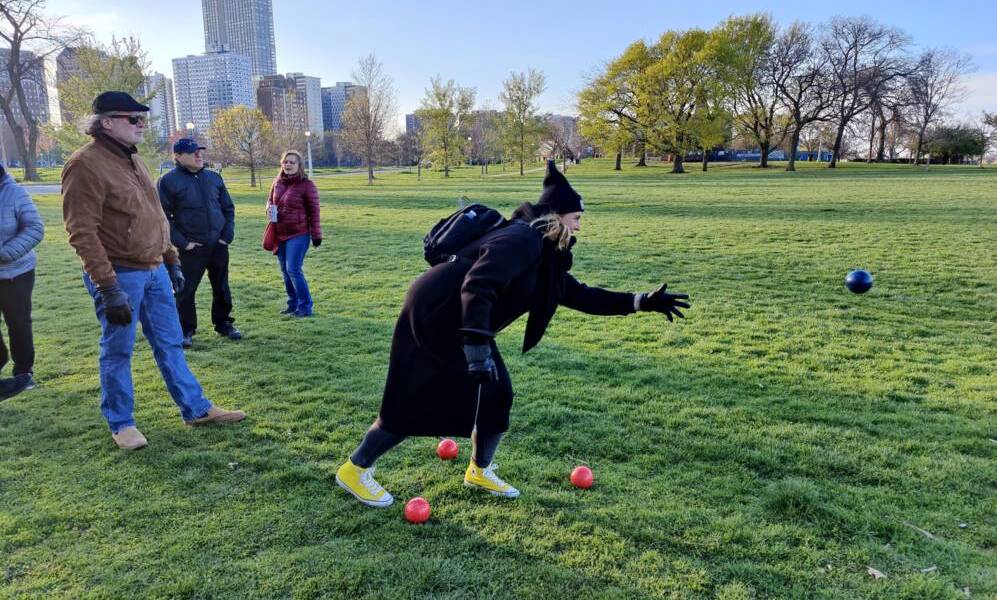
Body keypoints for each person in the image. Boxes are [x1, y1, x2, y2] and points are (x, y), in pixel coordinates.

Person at [335, 161, 690, 507]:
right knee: (416, 398)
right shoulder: (522, 240)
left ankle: (480, 470)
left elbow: (579, 295)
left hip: (464, 320)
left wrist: (642, 302)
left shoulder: (544, 256)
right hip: (437, 314)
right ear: (557, 216)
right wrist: (476, 347)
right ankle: (355, 470)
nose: (580, 227)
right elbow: (479, 283)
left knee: (497, 394)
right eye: (577, 218)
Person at [62, 91, 247, 450]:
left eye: (142, 118)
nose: (141, 124)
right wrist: (108, 287)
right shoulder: (84, 164)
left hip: (154, 270)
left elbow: (156, 215)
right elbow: (81, 232)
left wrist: (171, 259)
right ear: (106, 123)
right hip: (119, 274)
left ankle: (195, 408)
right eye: (133, 119)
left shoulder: (135, 160)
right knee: (118, 349)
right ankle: (122, 423)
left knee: (171, 342)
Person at [158, 138, 241, 349]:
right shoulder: (168, 181)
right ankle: (186, 329)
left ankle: (224, 324)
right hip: (191, 248)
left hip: (218, 245)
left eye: (199, 151)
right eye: (192, 152)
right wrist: (183, 243)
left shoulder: (214, 177)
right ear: (177, 156)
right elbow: (162, 217)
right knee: (186, 290)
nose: (198, 155)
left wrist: (226, 236)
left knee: (222, 287)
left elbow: (228, 209)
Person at [0, 163, 44, 401]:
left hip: (15, 273)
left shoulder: (14, 193)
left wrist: (5, 254)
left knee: (18, 323)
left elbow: (35, 228)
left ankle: (24, 372)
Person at [265, 151, 322, 317]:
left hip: (299, 233)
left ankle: (305, 306)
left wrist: (317, 235)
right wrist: (268, 207)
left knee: (293, 269)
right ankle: (293, 303)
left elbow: (315, 212)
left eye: (292, 162)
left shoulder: (307, 185)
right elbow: (269, 200)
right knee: (285, 270)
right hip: (279, 232)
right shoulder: (276, 182)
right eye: (285, 162)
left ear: (299, 165)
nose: (288, 165)